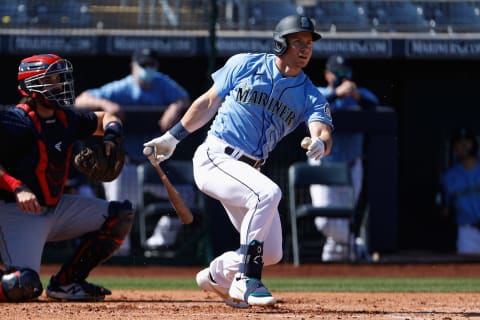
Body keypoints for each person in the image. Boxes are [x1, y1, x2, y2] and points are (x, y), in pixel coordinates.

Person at [143, 15, 333, 307]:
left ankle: (217, 275)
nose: (305, 49)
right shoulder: (246, 63)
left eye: (308, 43)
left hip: (247, 171)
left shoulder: (310, 94)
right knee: (268, 193)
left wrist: (320, 141)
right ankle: (246, 279)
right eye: (298, 42)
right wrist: (172, 137)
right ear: (281, 43)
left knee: (272, 253)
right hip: (215, 156)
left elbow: (321, 127)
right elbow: (208, 101)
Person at [0, 53, 135, 302]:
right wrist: (17, 187)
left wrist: (111, 137)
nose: (60, 84)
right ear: (32, 85)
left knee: (120, 215)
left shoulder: (67, 118)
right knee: (23, 286)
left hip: (55, 208)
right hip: (16, 212)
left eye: (60, 78)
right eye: (51, 79)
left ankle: (67, 283)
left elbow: (106, 117)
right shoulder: (13, 121)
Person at [75, 47, 190, 254]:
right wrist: (105, 104)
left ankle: (158, 245)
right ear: (133, 67)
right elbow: (80, 100)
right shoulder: (123, 87)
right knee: (120, 206)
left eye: (151, 65)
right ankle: (120, 252)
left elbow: (185, 98)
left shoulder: (163, 84)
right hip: (125, 163)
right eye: (143, 65)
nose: (148, 69)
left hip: (155, 163)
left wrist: (175, 107)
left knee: (187, 196)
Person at [309, 55, 379, 262]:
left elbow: (374, 107)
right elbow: (313, 105)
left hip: (351, 164)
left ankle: (336, 254)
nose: (343, 76)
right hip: (325, 164)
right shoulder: (320, 93)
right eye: (338, 72)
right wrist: (336, 94)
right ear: (327, 74)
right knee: (324, 221)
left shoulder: (360, 95)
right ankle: (355, 245)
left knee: (346, 215)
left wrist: (355, 96)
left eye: (346, 72)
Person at [441, 128, 480, 255]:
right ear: (454, 148)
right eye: (459, 142)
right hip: (468, 231)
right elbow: (445, 209)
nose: (463, 145)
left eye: (466, 141)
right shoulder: (449, 176)